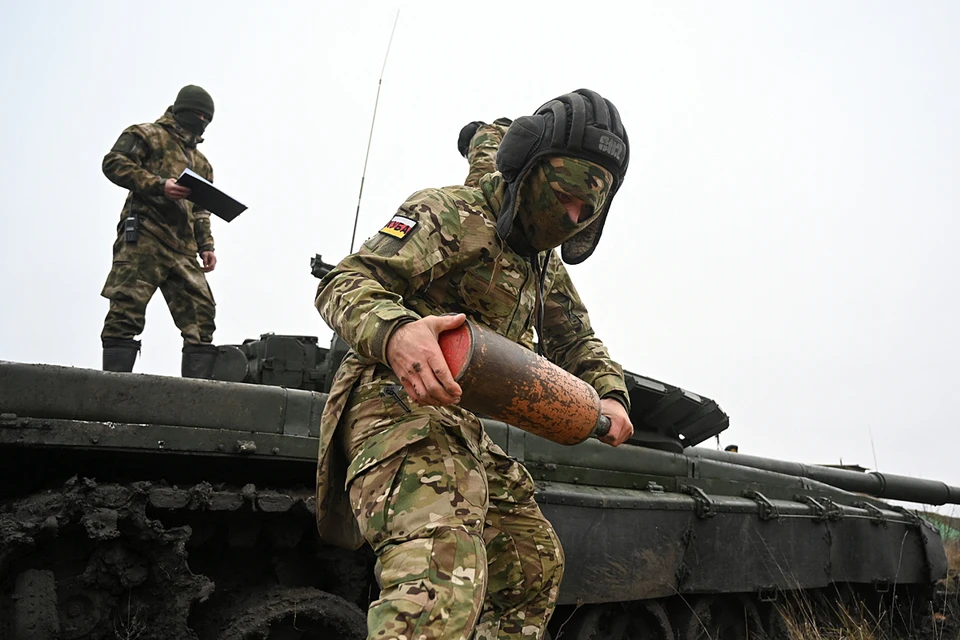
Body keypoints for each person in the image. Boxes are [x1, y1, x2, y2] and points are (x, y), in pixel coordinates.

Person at [314, 89, 634, 640]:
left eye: (587, 209)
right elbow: (344, 282)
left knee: (531, 565)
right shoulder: (451, 213)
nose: (571, 216)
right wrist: (397, 333)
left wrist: (610, 393)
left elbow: (576, 338)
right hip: (392, 402)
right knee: (443, 568)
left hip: (462, 425)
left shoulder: (540, 265)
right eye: (562, 196)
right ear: (526, 170)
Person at [99, 85, 220, 377]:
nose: (200, 120)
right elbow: (114, 163)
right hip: (145, 233)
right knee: (126, 308)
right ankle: (111, 391)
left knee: (201, 317)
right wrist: (158, 184)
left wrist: (206, 245)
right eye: (196, 114)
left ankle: (196, 402)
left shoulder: (202, 164)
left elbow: (201, 209)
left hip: (183, 248)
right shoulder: (147, 134)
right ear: (180, 110)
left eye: (207, 117)